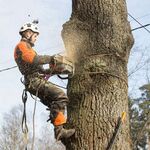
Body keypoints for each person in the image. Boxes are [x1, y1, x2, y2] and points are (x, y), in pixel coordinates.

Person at [14, 22, 75, 141]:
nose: (36, 39)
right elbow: (35, 60)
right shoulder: (21, 46)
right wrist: (52, 58)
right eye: (35, 36)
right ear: (28, 33)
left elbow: (42, 70)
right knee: (60, 96)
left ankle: (60, 127)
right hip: (33, 81)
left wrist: (55, 70)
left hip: (35, 80)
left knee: (55, 102)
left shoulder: (28, 48)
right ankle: (59, 131)